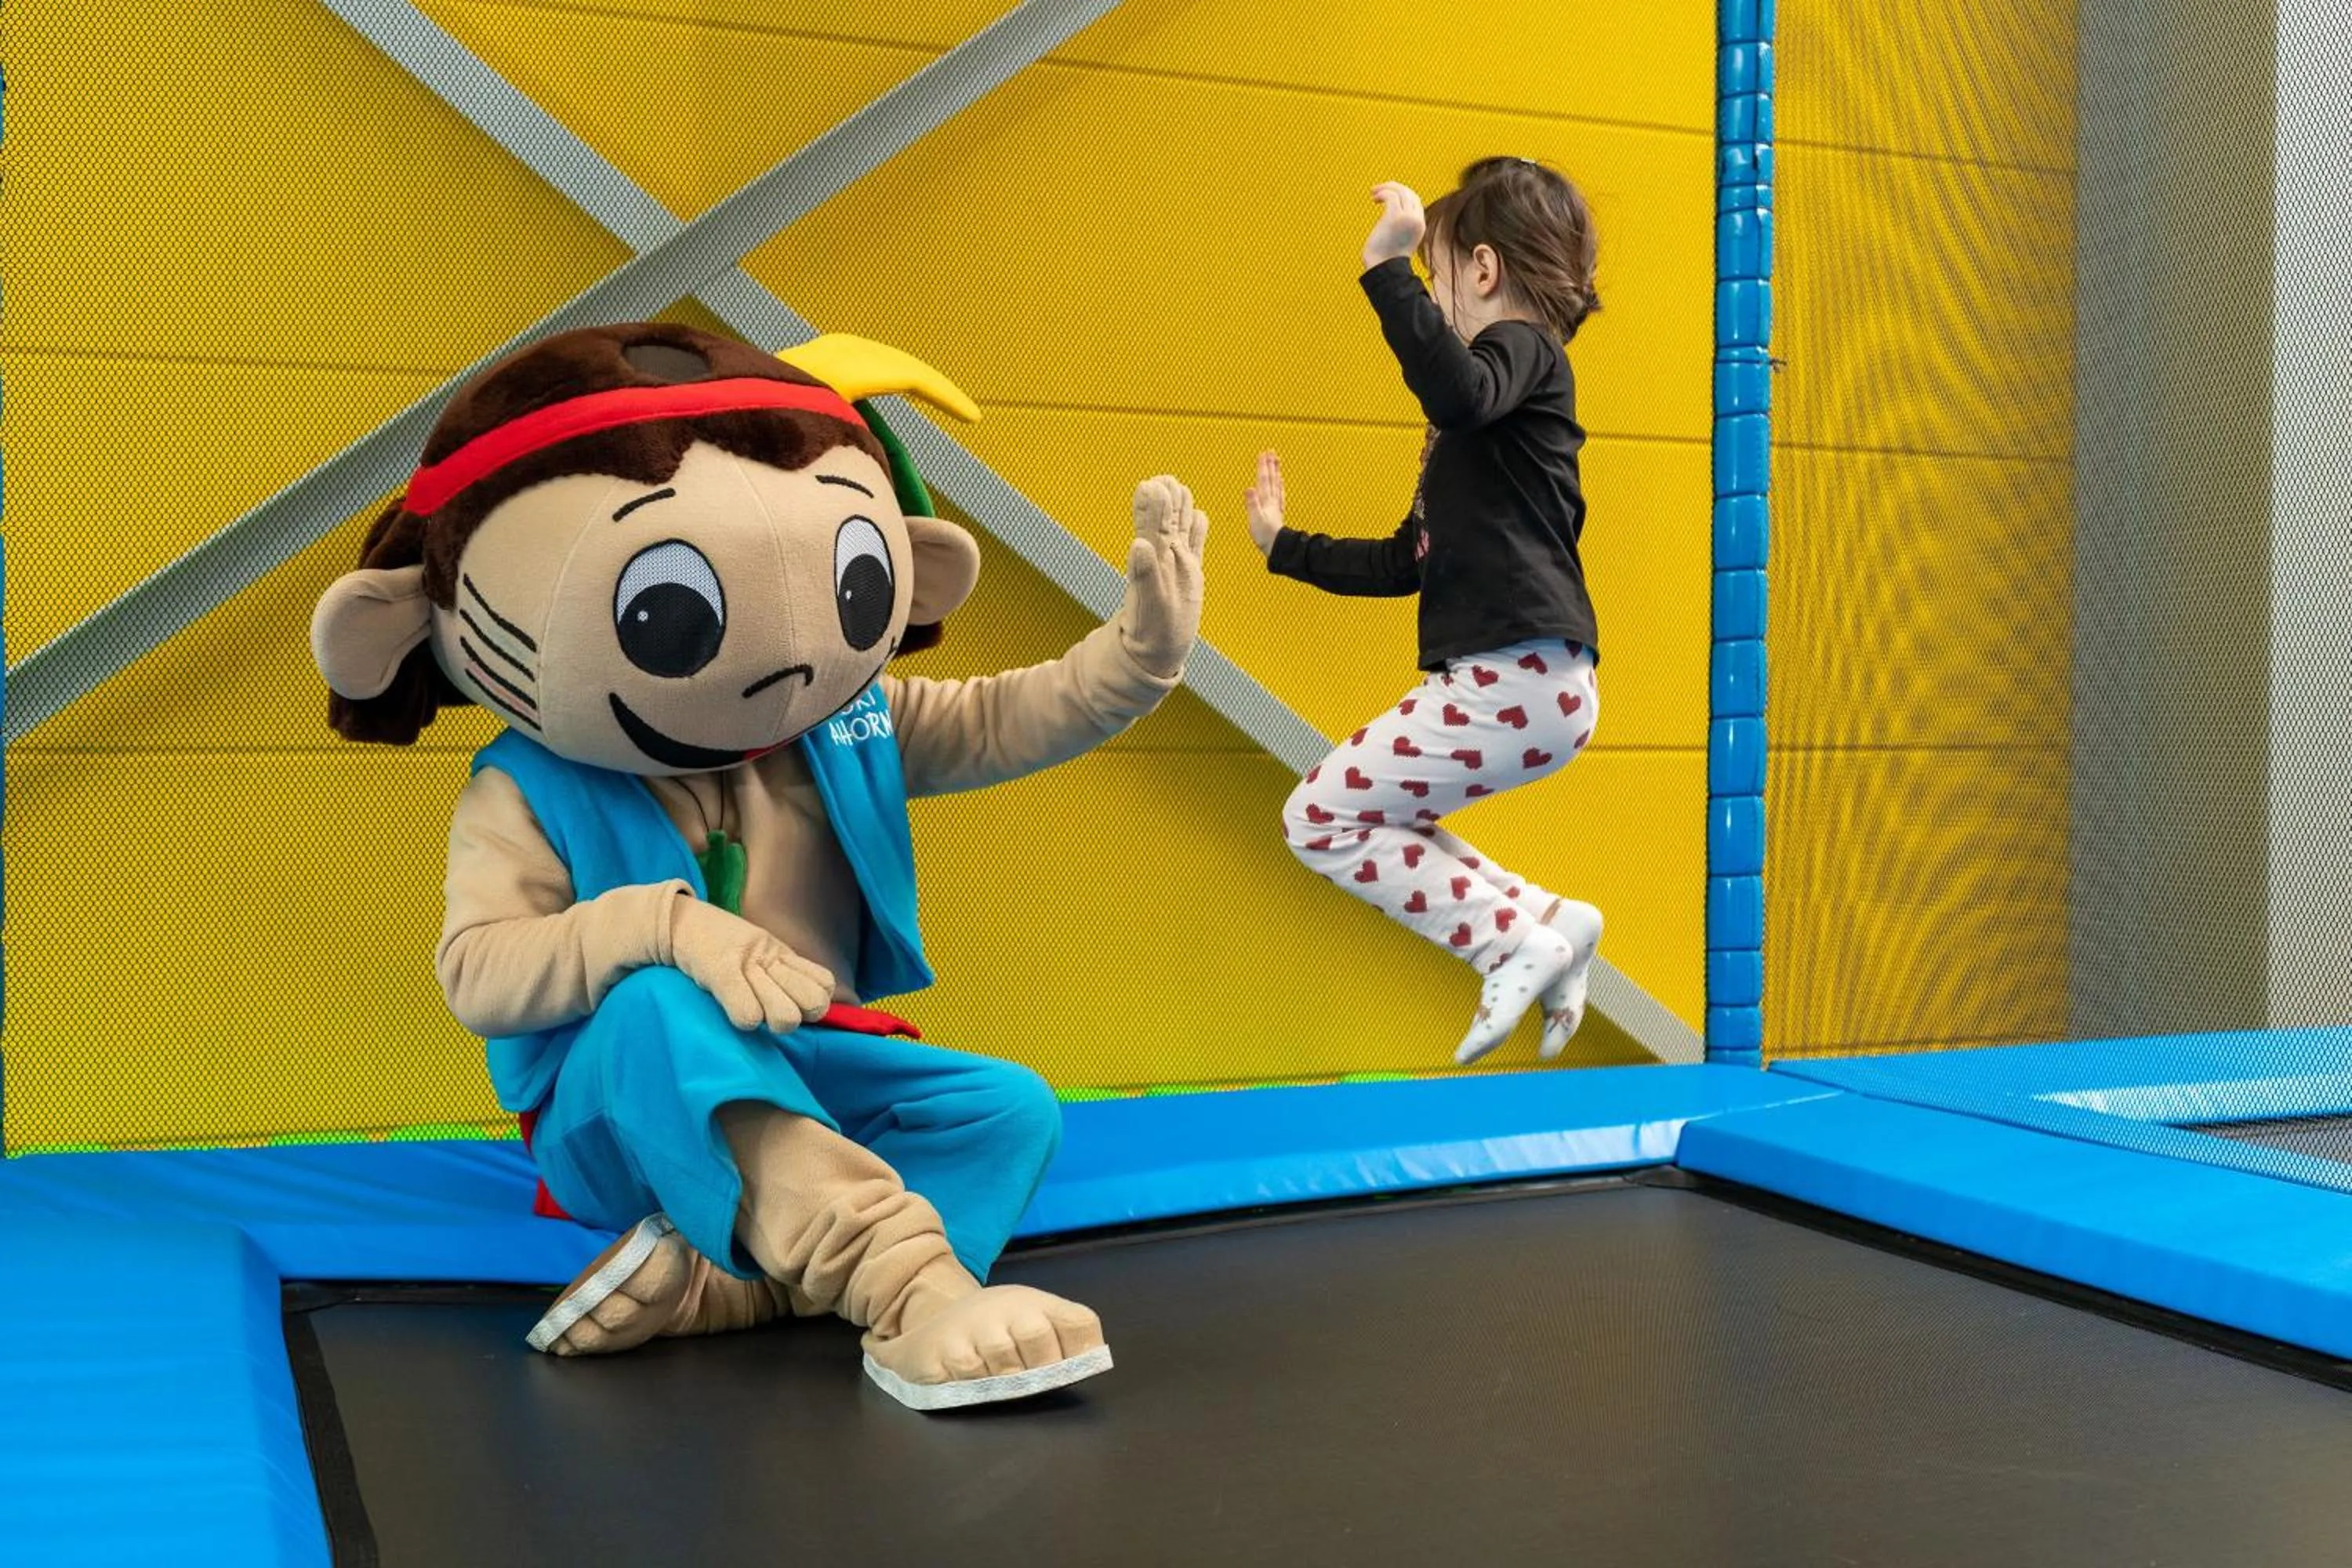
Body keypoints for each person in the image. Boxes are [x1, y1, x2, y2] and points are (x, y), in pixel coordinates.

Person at [1248, 158, 1607, 1066]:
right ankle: (1549, 919)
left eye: (1436, 279)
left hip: (1518, 675)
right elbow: (1404, 560)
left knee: (1318, 817)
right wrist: (1284, 545)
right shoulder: (1485, 421)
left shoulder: (1525, 352)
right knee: (1373, 813)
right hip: (1530, 682)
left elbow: (1456, 386)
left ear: (1482, 271)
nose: (1434, 304)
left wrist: (1385, 269)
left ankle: (1508, 940)